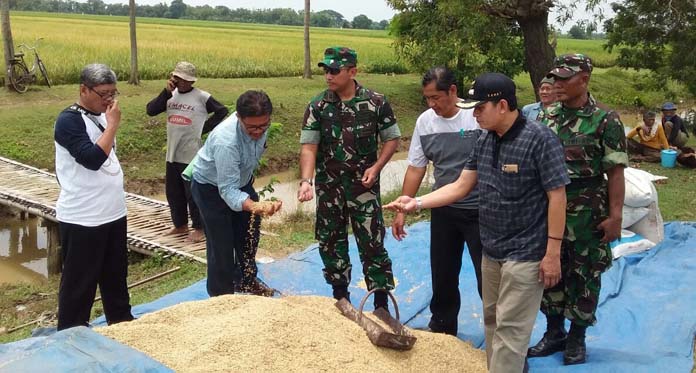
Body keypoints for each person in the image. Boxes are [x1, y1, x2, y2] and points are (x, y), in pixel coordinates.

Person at [386, 72, 568, 373]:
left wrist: (552, 253)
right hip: (492, 248)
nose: (475, 114)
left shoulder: (539, 139)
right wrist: (415, 202)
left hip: (526, 251)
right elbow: (460, 185)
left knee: (510, 329)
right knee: (493, 321)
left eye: (480, 107)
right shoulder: (484, 140)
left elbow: (557, 197)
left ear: (503, 105)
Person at [529, 54, 628, 365]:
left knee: (584, 275)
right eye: (555, 77)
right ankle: (554, 331)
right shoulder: (545, 117)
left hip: (588, 213)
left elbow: (615, 172)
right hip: (547, 211)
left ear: (583, 79)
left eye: (565, 78)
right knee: (549, 271)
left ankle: (577, 337)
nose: (557, 84)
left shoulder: (605, 120)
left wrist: (615, 217)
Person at [297, 46, 400, 310]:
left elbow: (392, 139)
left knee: (372, 241)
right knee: (331, 241)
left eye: (334, 70)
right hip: (329, 189)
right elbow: (309, 146)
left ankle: (380, 304)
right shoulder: (318, 105)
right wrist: (306, 181)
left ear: (352, 71)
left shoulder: (376, 102)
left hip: (363, 188)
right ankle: (341, 298)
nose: (328, 76)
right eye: (326, 71)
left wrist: (376, 167)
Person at [391, 66, 483, 336]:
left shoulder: (475, 117)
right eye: (427, 99)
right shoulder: (425, 122)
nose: (432, 105)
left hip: (481, 210)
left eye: (436, 98)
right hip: (443, 208)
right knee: (443, 271)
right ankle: (443, 325)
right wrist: (402, 209)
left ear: (453, 91)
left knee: (487, 276)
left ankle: (500, 333)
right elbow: (416, 167)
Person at [54, 63, 134, 330]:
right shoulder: (69, 121)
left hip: (113, 212)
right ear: (83, 90)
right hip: (83, 217)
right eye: (103, 94)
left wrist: (108, 122)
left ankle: (122, 323)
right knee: (80, 282)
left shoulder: (102, 115)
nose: (109, 100)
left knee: (115, 276)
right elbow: (91, 159)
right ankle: (71, 332)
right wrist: (112, 126)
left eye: (113, 93)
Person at [190, 90, 282, 297]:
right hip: (210, 188)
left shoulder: (258, 124)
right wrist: (256, 206)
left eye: (263, 126)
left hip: (239, 182)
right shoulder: (226, 141)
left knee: (249, 238)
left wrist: (252, 202)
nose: (258, 131)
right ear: (239, 117)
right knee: (221, 246)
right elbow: (227, 190)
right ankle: (221, 296)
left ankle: (247, 281)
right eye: (252, 127)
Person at [146, 61, 229, 243]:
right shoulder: (170, 95)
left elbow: (222, 111)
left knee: (193, 193)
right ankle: (180, 225)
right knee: (173, 192)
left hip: (191, 154)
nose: (183, 83)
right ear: (174, 78)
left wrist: (204, 129)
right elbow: (150, 110)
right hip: (173, 152)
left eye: (186, 80)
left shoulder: (202, 97)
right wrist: (166, 92)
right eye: (179, 78)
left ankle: (199, 228)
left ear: (192, 81)